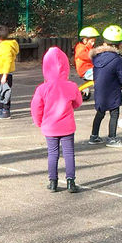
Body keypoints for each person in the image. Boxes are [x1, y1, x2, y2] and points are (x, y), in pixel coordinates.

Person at [31, 47, 83, 193]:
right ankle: (70, 181)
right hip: (67, 126)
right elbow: (78, 103)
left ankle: (53, 181)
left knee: (52, 154)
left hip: (50, 127)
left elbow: (36, 107)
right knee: (69, 153)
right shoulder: (71, 86)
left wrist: (39, 122)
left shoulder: (42, 88)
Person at [88, 25, 122, 148]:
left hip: (99, 90)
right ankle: (112, 138)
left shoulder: (97, 57)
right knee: (114, 113)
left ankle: (94, 136)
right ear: (119, 45)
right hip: (113, 90)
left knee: (100, 112)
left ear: (105, 42)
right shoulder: (118, 60)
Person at [0, 25, 19, 119]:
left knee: (5, 92)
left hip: (5, 74)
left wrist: (5, 75)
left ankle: (5, 110)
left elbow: (7, 62)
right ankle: (0, 110)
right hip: (0, 73)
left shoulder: (6, 47)